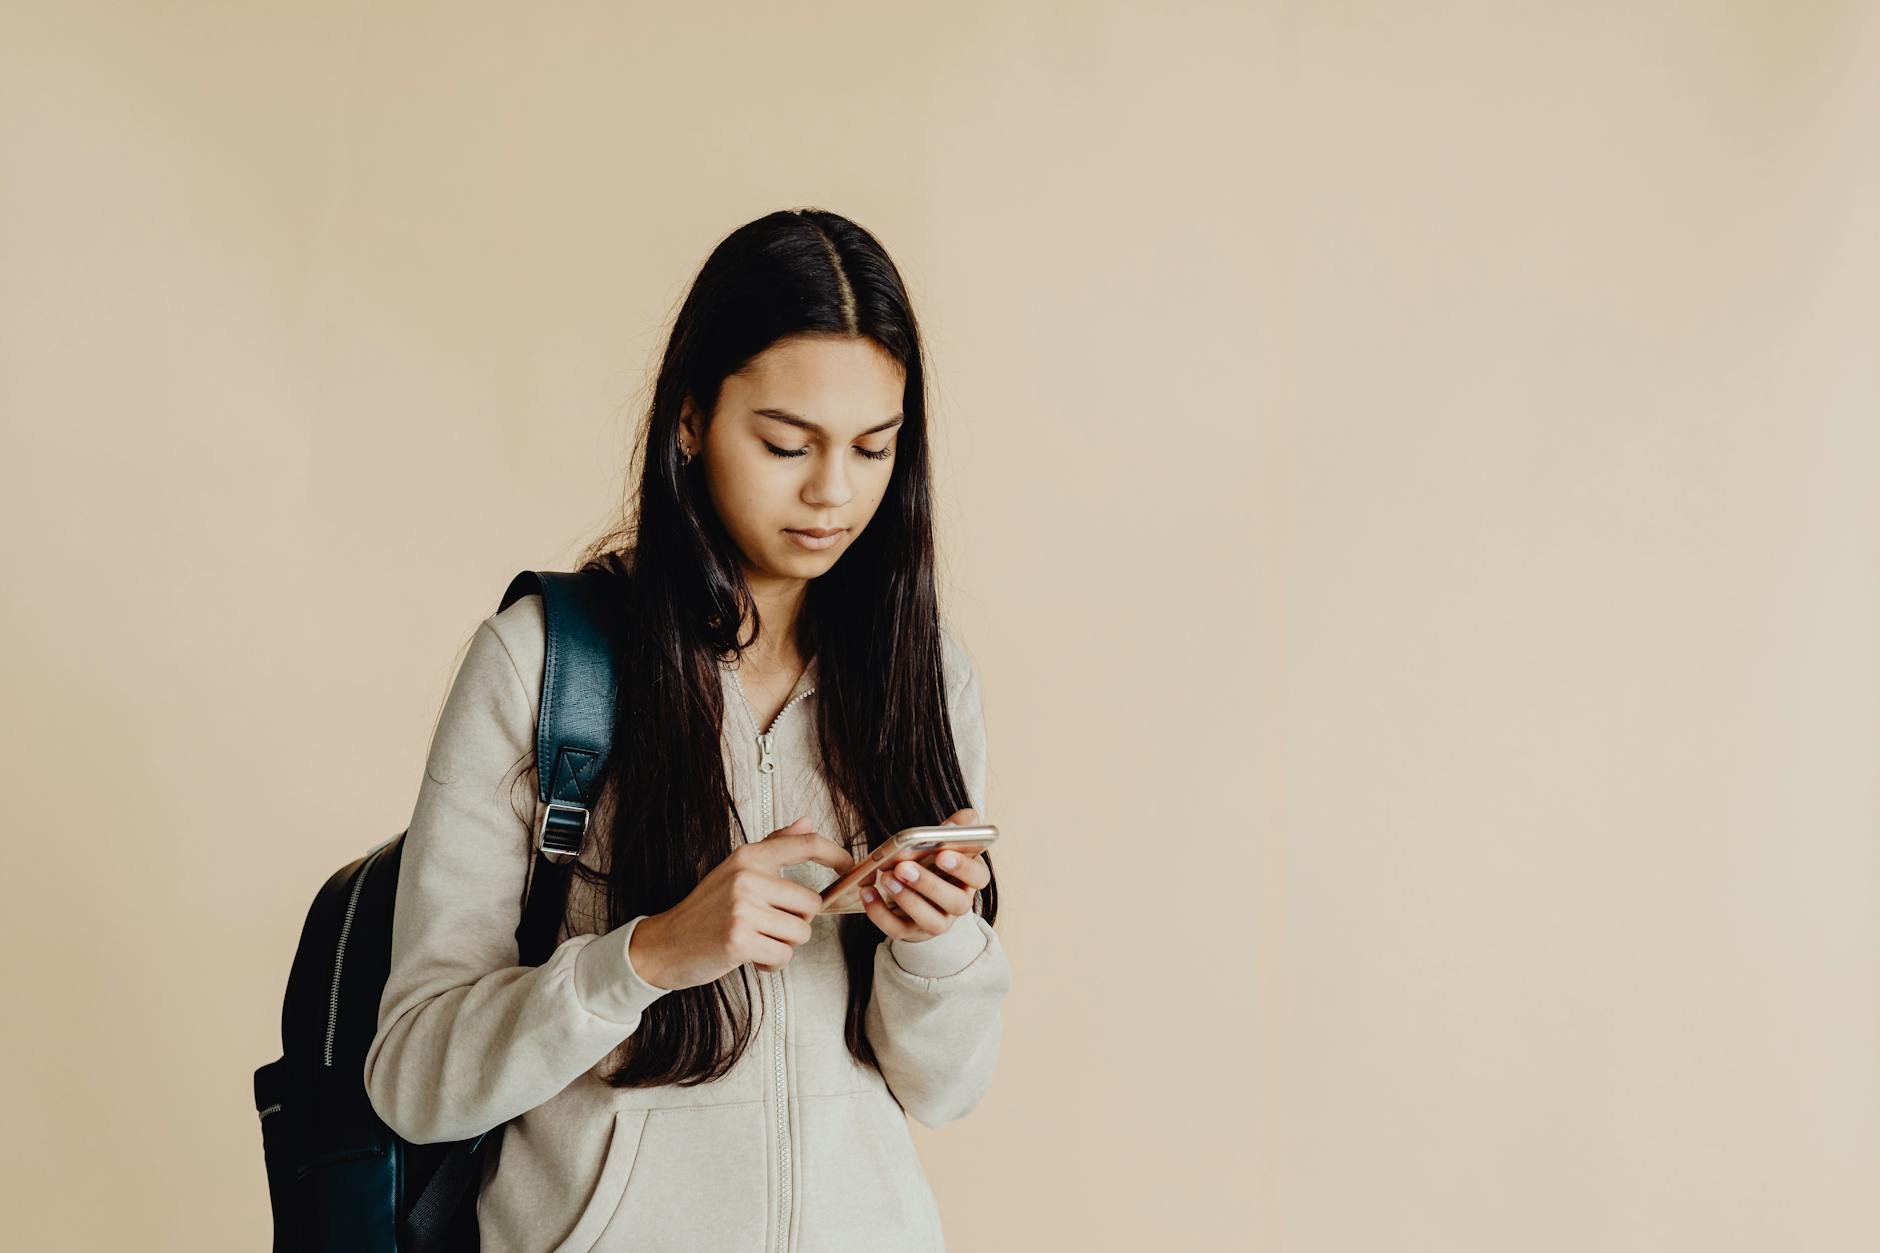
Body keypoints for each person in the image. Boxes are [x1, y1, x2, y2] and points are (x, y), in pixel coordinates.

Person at [361, 207, 1011, 1253]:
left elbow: (941, 1088)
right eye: (785, 443)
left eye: (871, 447)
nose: (831, 491)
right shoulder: (544, 663)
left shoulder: (919, 675)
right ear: (689, 419)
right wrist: (649, 955)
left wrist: (937, 945)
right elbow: (413, 1076)